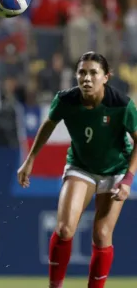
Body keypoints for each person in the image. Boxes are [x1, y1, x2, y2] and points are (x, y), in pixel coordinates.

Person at [17, 52, 137, 288]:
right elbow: (48, 124)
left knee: (102, 235)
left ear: (106, 77)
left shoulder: (121, 104)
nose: (87, 78)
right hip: (81, 167)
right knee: (64, 229)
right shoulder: (65, 100)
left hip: (115, 171)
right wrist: (30, 159)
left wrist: (128, 180)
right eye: (82, 72)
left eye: (94, 73)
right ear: (76, 76)